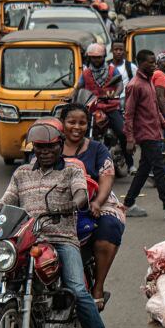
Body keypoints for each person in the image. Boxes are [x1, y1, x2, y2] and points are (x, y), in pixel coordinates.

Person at [0, 121, 115, 328]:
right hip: (27, 239)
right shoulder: (21, 174)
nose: (45, 152)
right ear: (34, 149)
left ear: (60, 146)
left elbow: (81, 194)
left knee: (76, 289)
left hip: (62, 239)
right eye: (40, 147)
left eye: (50, 147)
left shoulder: (71, 171)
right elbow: (7, 202)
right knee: (4, 281)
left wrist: (72, 205)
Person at [60, 102, 125, 306]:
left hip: (95, 201)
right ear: (62, 124)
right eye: (71, 122)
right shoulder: (51, 147)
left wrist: (97, 202)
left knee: (109, 229)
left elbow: (107, 176)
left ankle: (98, 286)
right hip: (56, 203)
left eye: (82, 123)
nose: (76, 127)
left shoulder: (97, 148)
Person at [123, 49, 165, 220]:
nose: (153, 65)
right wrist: (129, 138)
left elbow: (155, 110)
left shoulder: (149, 81)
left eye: (153, 62)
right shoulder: (134, 85)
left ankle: (128, 203)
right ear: (140, 63)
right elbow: (128, 114)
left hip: (154, 131)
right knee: (158, 168)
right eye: (150, 62)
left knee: (144, 169)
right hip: (145, 134)